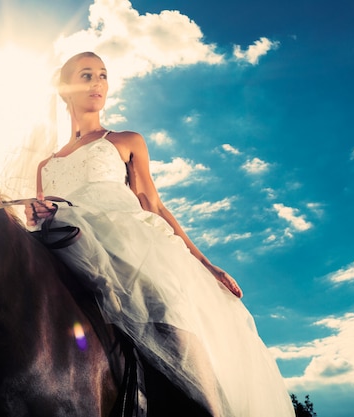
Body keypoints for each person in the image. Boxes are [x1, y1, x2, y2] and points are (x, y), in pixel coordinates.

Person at [25, 52, 294, 416]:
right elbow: (40, 216)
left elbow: (153, 205)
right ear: (66, 88)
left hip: (124, 241)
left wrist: (206, 264)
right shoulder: (46, 165)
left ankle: (205, 406)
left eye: (103, 75)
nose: (98, 83)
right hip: (70, 242)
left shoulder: (126, 140)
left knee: (167, 307)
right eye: (86, 75)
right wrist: (37, 214)